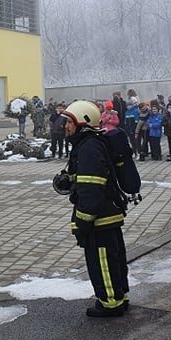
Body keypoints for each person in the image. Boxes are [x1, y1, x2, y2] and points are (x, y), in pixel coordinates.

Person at [59, 100, 132, 317]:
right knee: (114, 259)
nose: (66, 127)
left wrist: (82, 222)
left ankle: (110, 304)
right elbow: (85, 180)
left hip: (99, 219)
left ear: (83, 122)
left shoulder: (89, 148)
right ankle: (120, 296)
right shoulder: (89, 144)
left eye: (69, 123)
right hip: (108, 215)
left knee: (102, 262)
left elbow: (91, 190)